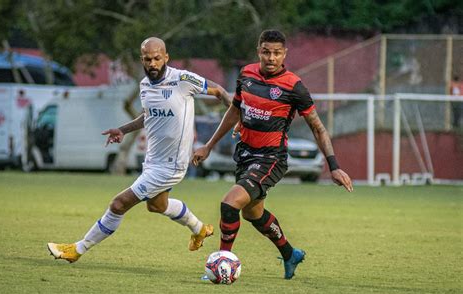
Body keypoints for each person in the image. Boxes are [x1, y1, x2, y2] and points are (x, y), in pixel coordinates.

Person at [48, 37, 231, 262]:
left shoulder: (182, 79)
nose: (152, 63)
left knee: (118, 204)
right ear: (141, 60)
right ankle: (199, 228)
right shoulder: (144, 85)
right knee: (157, 206)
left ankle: (77, 249)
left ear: (166, 57)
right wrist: (123, 130)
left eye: (157, 58)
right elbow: (149, 116)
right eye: (147, 59)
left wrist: (237, 119)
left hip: (172, 165)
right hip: (153, 160)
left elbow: (220, 91)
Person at [193, 30, 353, 280]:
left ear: (284, 54)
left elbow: (318, 128)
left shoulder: (294, 87)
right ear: (259, 51)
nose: (271, 57)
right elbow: (235, 111)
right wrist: (209, 145)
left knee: (229, 204)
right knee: (252, 213)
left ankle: (222, 263)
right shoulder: (246, 74)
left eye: (277, 53)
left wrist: (334, 166)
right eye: (266, 51)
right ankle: (290, 254)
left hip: (271, 159)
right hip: (245, 155)